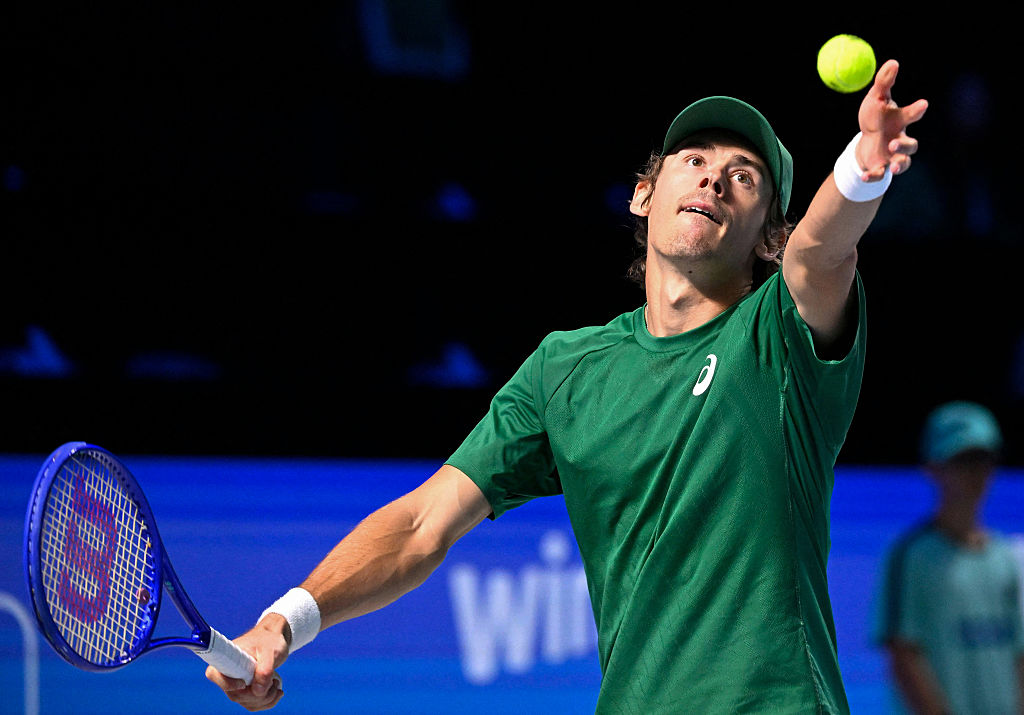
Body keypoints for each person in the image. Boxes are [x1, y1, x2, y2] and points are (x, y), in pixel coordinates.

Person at [207, 59, 927, 713]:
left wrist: (863, 169)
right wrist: (284, 620)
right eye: (695, 159)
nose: (712, 177)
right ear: (644, 195)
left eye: (744, 176)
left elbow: (821, 254)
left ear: (766, 236)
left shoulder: (778, 338)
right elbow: (423, 523)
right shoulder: (565, 369)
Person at [872, 401, 1024, 714]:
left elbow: (1018, 655)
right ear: (932, 468)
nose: (975, 473)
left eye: (983, 460)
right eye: (962, 460)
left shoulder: (1005, 558)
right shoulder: (912, 555)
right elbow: (903, 655)